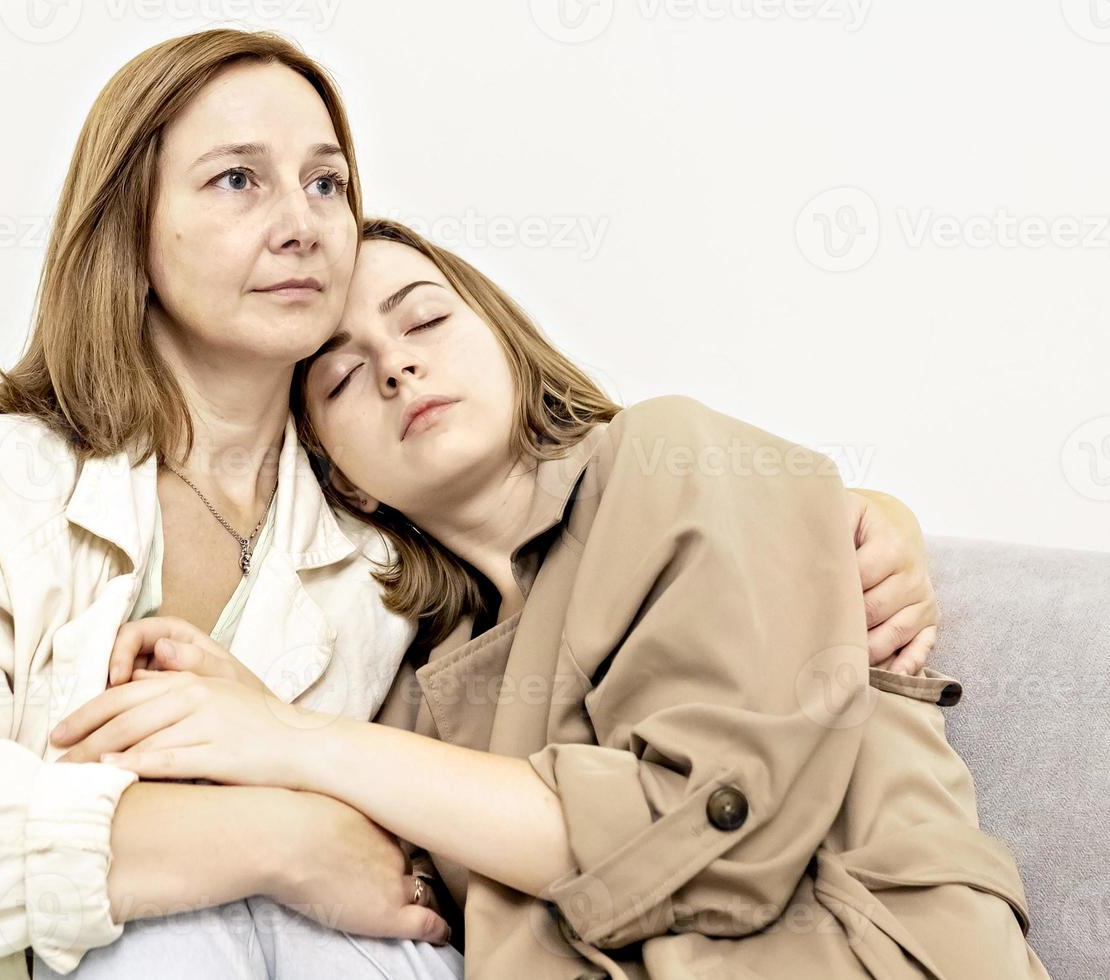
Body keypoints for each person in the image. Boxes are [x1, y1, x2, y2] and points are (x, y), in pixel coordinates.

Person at [0, 34, 938, 980]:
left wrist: (850, 520)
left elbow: (583, 564)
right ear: (131, 231)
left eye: (326, 181)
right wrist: (277, 839)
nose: (303, 219)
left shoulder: (382, 551)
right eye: (236, 181)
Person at [66, 218, 1050, 978]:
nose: (398, 364)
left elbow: (705, 839)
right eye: (344, 373)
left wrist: (289, 737)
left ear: (502, 337)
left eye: (424, 319)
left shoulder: (673, 456)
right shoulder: (416, 680)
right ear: (347, 479)